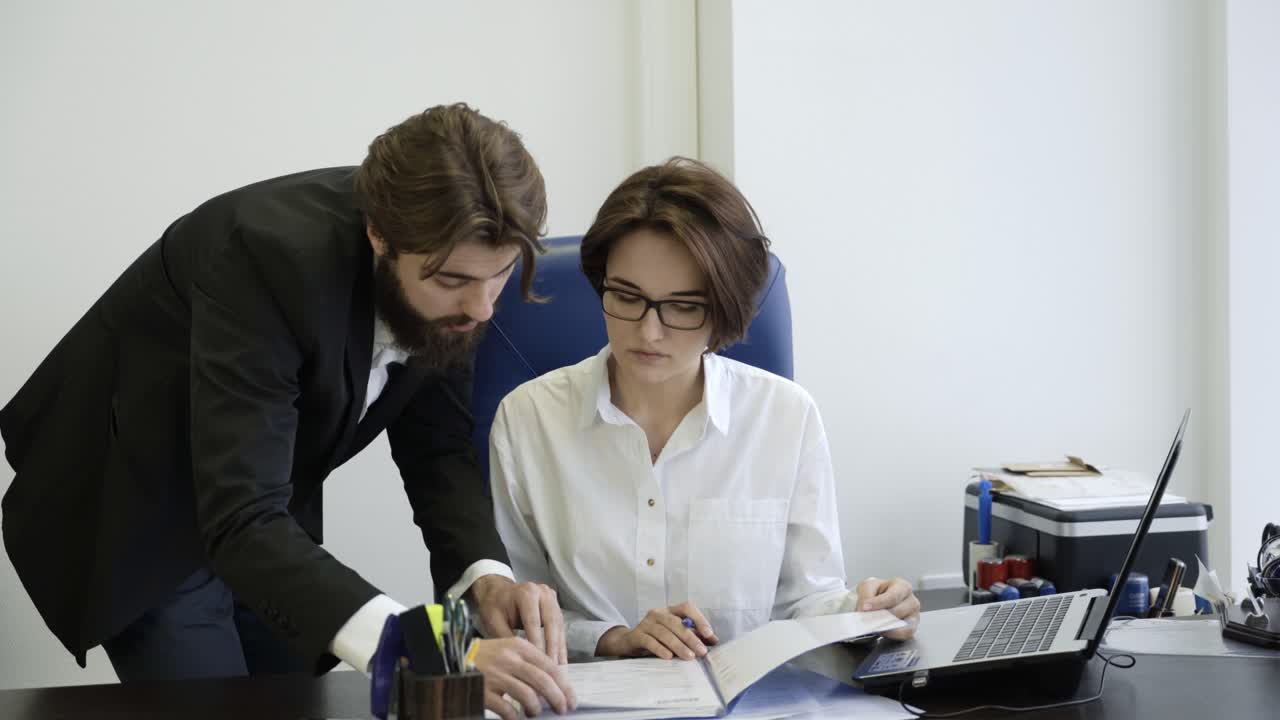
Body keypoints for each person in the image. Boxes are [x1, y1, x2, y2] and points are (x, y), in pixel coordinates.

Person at [1, 103, 575, 718]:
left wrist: (483, 578)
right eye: (454, 281)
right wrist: (436, 650)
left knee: (299, 697)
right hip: (141, 497)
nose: (483, 307)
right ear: (378, 235)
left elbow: (438, 449)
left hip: (261, 493)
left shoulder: (460, 274)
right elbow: (241, 518)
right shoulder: (268, 256)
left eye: (502, 275)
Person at [489, 157, 921, 662]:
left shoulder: (785, 417)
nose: (648, 332)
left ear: (723, 311)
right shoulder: (528, 420)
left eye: (683, 306)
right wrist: (613, 639)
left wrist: (869, 609)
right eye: (627, 296)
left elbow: (806, 599)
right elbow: (511, 615)